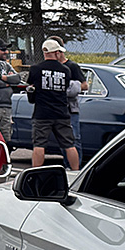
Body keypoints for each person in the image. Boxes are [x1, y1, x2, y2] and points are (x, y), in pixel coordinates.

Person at [27, 39, 80, 170]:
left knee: (39, 145)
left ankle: (36, 173)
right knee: (69, 145)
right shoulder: (65, 70)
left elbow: (31, 85)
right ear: (56, 53)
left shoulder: (35, 69)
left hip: (42, 113)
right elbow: (66, 87)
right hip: (61, 112)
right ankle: (76, 172)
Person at [46, 36, 89, 163]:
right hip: (54, 109)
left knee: (74, 139)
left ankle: (76, 166)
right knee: (62, 140)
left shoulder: (72, 66)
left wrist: (67, 88)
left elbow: (84, 85)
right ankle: (66, 164)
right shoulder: (49, 67)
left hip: (70, 109)